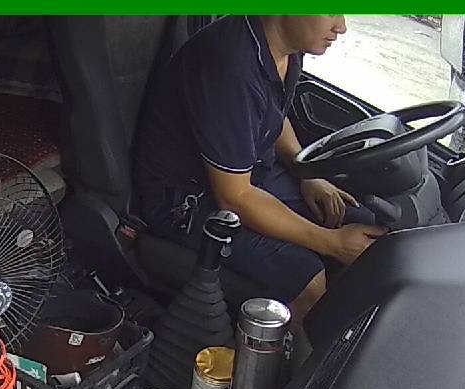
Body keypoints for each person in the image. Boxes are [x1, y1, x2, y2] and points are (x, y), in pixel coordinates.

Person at [134, 15, 387, 321]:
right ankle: (297, 348)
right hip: (185, 201)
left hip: (247, 175)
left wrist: (306, 171)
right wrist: (331, 243)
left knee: (361, 223)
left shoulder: (285, 50)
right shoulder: (231, 67)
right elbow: (234, 198)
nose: (341, 26)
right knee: (306, 279)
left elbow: (272, 114)